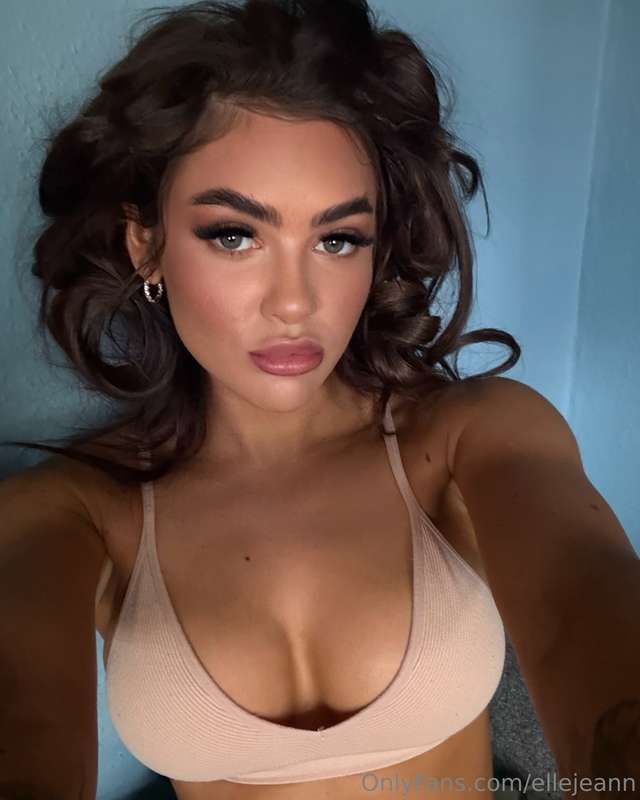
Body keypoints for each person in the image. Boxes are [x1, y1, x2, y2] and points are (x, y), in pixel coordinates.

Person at [2, 1, 639, 799]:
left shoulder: (472, 435)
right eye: (235, 235)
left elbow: (590, 623)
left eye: (338, 239)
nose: (296, 302)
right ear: (147, 243)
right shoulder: (70, 511)